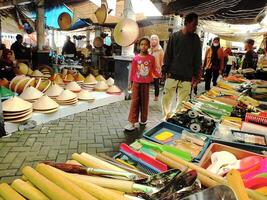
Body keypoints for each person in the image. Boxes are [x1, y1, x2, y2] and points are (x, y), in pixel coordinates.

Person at [161, 12, 202, 119]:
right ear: (187, 23)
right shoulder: (174, 37)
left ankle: (177, 119)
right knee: (166, 98)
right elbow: (168, 55)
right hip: (172, 74)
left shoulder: (196, 39)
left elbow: (197, 59)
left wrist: (197, 76)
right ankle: (166, 118)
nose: (195, 27)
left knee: (183, 102)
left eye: (196, 25)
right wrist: (164, 71)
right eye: (194, 24)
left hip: (187, 76)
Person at [125, 37, 159, 131]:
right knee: (134, 102)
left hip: (146, 84)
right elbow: (132, 72)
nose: (144, 46)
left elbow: (154, 70)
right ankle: (132, 123)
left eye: (146, 44)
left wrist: (159, 74)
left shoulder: (151, 58)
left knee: (145, 102)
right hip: (136, 83)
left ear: (148, 46)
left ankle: (143, 120)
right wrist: (130, 83)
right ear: (139, 46)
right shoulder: (135, 58)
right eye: (142, 44)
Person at [149, 34, 164, 101]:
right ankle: (145, 95)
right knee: (146, 83)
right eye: (152, 39)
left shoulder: (160, 50)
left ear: (157, 41)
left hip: (156, 69)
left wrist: (161, 70)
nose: (154, 41)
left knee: (156, 83)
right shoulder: (149, 50)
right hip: (149, 69)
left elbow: (162, 60)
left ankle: (156, 96)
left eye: (155, 39)